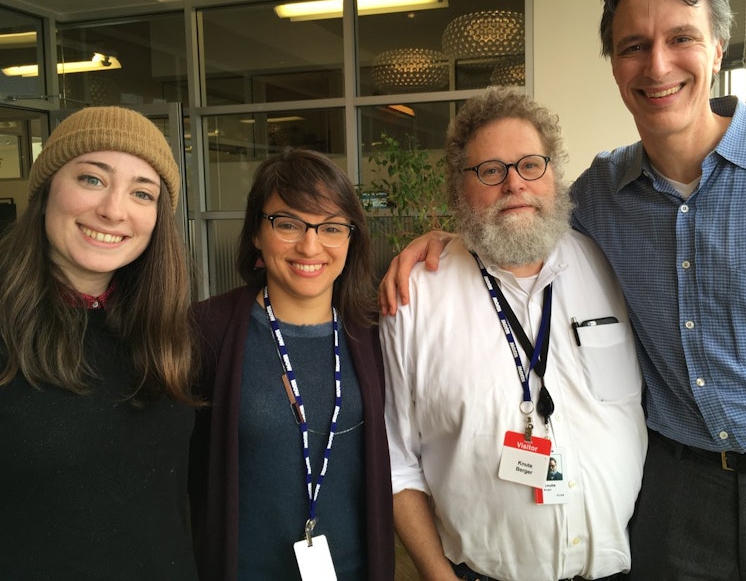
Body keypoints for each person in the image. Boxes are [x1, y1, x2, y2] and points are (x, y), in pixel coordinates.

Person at [381, 0, 746, 579]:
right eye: (633, 46)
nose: (657, 65)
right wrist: (444, 236)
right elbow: (513, 215)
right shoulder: (601, 194)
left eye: (681, 37)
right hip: (676, 505)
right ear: (614, 64)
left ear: (718, 47)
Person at [381, 87, 646, 581]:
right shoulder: (415, 297)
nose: (514, 184)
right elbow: (396, 460)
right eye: (490, 170)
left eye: (530, 165)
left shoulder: (611, 263)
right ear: (459, 189)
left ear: (553, 175)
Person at [0, 106, 198, 579]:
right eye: (92, 179)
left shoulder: (168, 333)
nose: (113, 209)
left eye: (142, 193)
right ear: (47, 189)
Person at [189, 148, 394, 581]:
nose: (310, 245)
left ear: (351, 238)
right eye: (288, 224)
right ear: (256, 234)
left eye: (332, 228)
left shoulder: (377, 333)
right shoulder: (206, 331)